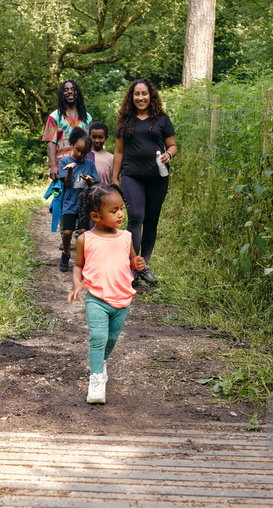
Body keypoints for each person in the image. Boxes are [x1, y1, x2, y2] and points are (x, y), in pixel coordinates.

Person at [68, 183, 145, 404]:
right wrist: (76, 284)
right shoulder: (86, 240)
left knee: (111, 338)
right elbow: (78, 266)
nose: (121, 214)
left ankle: (100, 362)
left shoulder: (126, 237)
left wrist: (137, 262)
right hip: (97, 299)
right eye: (114, 211)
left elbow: (130, 259)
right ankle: (96, 380)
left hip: (123, 299)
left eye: (121, 208)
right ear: (96, 215)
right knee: (98, 337)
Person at [111, 78, 177, 286]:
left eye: (144, 94)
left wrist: (169, 154)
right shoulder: (125, 120)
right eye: (137, 94)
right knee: (136, 216)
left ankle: (144, 265)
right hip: (132, 175)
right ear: (131, 97)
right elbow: (119, 151)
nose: (141, 97)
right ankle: (131, 266)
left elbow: (173, 145)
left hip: (158, 178)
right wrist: (114, 177)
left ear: (151, 96)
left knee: (151, 221)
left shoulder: (162, 120)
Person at [58, 127, 99, 272]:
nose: (80, 154)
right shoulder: (64, 162)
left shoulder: (90, 164)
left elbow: (95, 183)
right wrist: (69, 170)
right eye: (77, 150)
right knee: (67, 232)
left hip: (84, 205)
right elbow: (67, 183)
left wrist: (89, 180)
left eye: (83, 152)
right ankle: (66, 253)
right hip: (70, 203)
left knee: (83, 232)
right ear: (72, 145)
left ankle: (81, 259)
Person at [42, 80, 92, 181]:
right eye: (66, 90)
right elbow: (51, 143)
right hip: (62, 166)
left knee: (82, 194)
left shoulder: (86, 117)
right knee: (63, 195)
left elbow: (90, 145)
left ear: (77, 92)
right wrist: (52, 166)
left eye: (73, 89)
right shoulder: (54, 117)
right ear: (62, 94)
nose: (69, 92)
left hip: (82, 165)